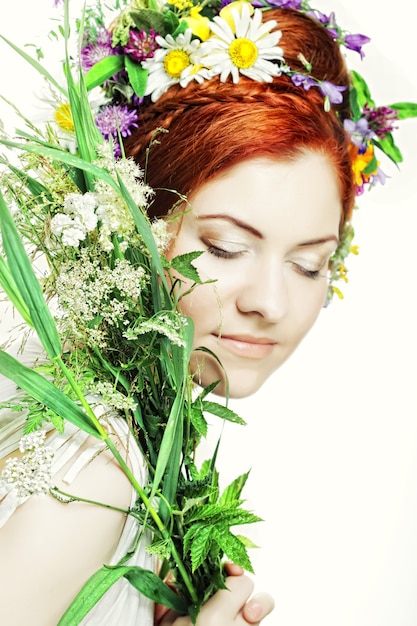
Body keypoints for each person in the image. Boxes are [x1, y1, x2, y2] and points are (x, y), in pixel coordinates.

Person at [0, 0, 415, 624]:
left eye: (309, 263)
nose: (269, 303)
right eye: (225, 247)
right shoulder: (94, 472)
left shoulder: (104, 426)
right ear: (125, 222)